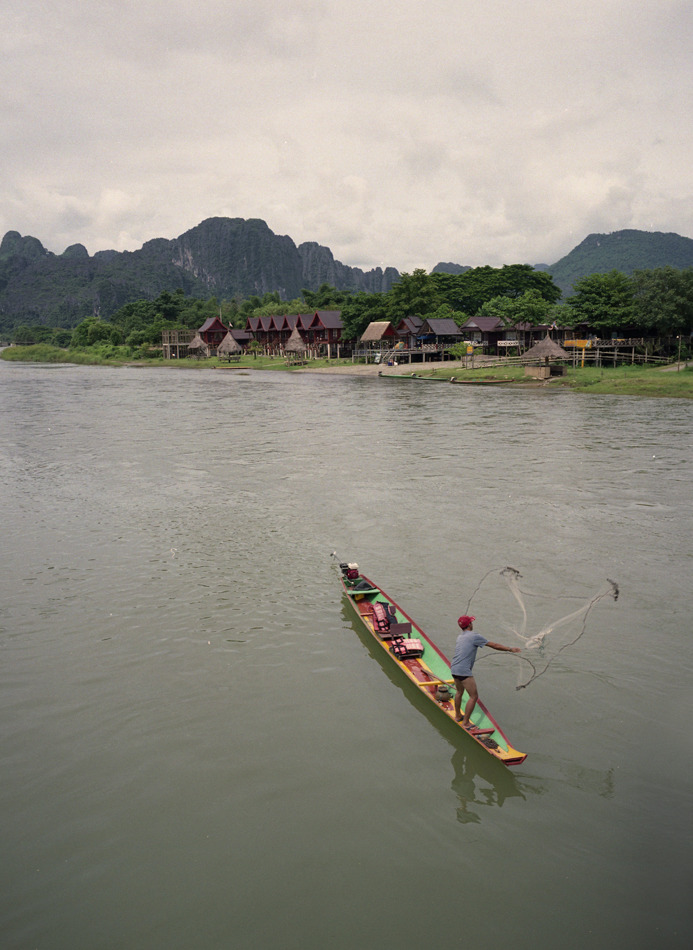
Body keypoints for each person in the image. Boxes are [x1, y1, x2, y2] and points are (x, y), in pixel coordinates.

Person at [451, 615, 521, 728]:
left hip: (454, 668)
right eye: (471, 622)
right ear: (469, 625)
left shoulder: (460, 637)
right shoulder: (474, 636)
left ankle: (458, 716)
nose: (472, 624)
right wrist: (510, 649)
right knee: (473, 697)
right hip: (464, 671)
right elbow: (494, 645)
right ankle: (466, 723)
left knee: (459, 692)